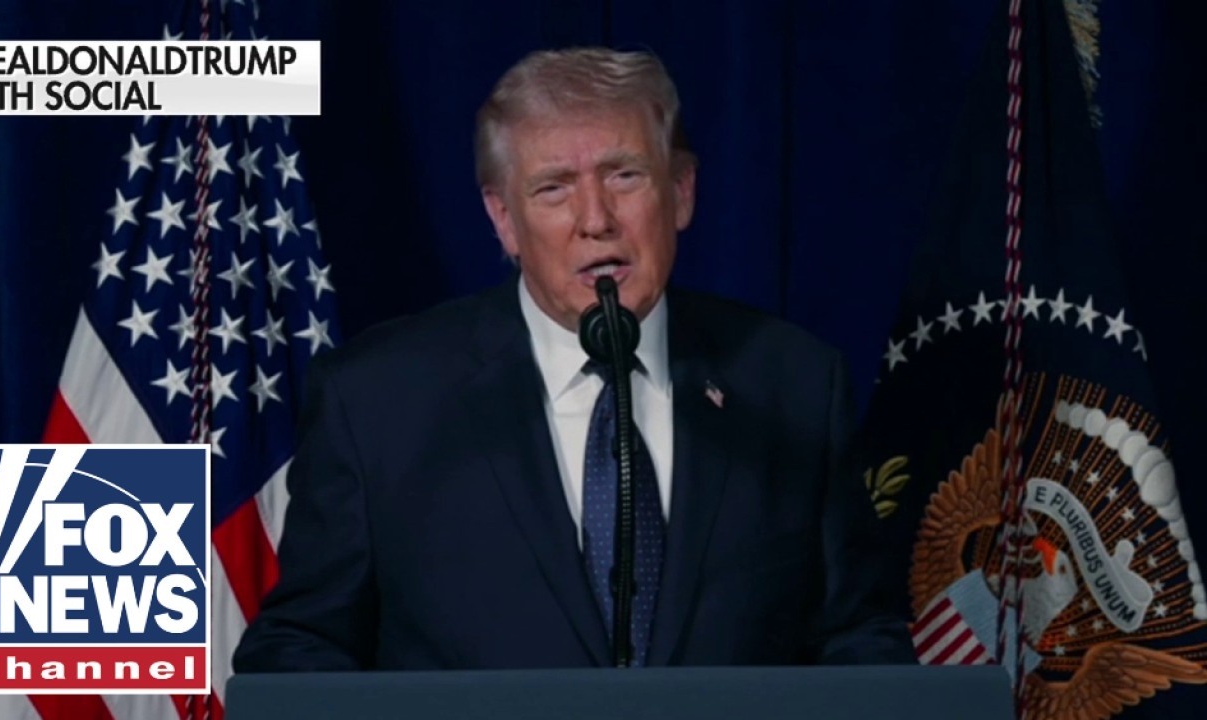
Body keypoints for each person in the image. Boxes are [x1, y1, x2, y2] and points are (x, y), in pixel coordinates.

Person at [233, 46, 914, 672]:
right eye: (554, 188)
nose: (595, 220)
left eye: (625, 176)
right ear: (504, 219)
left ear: (682, 191)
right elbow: (301, 648)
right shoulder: (378, 400)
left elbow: (858, 638)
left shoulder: (794, 383)